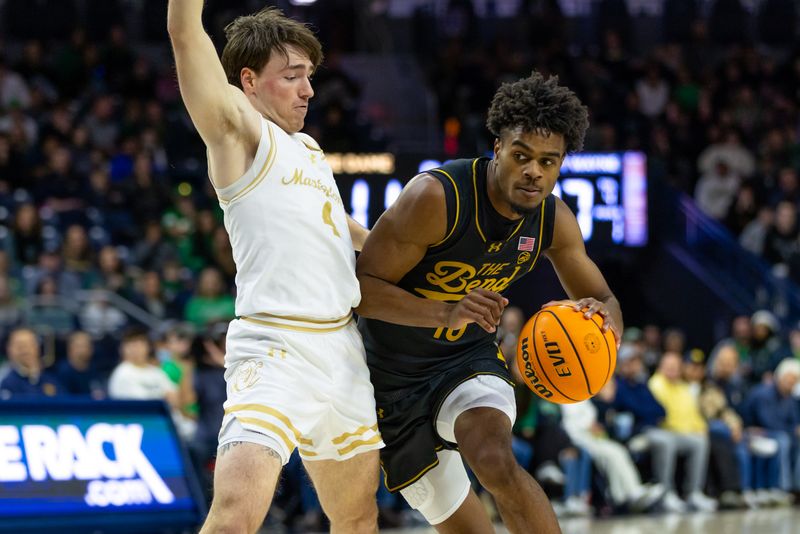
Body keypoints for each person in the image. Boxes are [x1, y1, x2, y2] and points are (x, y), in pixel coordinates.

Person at [356, 71, 622, 534]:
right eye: (521, 156)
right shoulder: (436, 197)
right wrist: (445, 311)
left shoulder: (554, 221)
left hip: (467, 359)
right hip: (389, 375)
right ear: (497, 148)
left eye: (548, 162)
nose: (533, 172)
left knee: (494, 460)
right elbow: (362, 291)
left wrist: (604, 324)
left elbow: (603, 298)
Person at [167, 4, 383, 533]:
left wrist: (387, 245)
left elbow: (338, 224)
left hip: (342, 348)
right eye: (292, 77)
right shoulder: (239, 132)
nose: (308, 90)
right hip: (276, 348)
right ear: (249, 82)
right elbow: (183, 32)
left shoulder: (308, 149)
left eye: (309, 76)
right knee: (237, 514)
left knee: (357, 517)